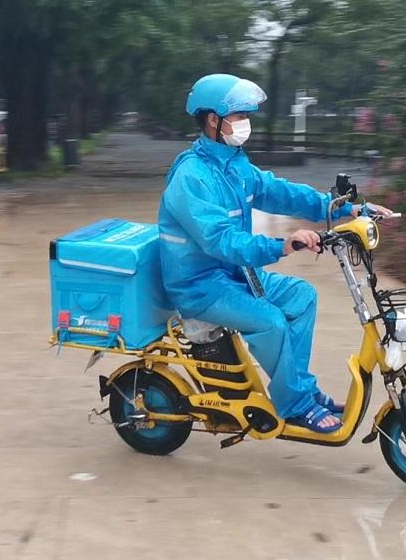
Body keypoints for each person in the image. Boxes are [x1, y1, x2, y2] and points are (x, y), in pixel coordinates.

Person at [157, 74, 393, 434]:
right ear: (213, 119)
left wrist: (347, 209)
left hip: (234, 274)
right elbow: (221, 241)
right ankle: (294, 406)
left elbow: (280, 193)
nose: (246, 123)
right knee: (271, 321)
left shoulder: (234, 163)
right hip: (200, 286)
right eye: (239, 116)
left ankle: (300, 390)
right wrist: (282, 245)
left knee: (302, 296)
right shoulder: (192, 177)